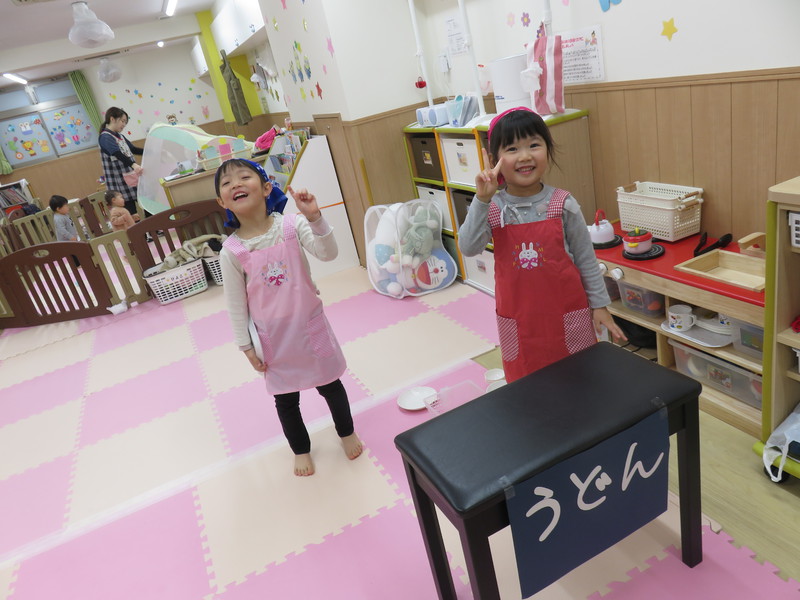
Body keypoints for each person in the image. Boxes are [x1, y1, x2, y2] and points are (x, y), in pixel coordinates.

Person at [215, 158, 362, 477]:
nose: (236, 184)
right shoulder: (232, 251)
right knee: (285, 401)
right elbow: (235, 305)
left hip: (311, 330)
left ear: (267, 188)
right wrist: (245, 346)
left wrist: (317, 219)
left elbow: (328, 254)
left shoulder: (292, 226)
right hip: (273, 340)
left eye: (244, 177)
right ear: (222, 201)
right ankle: (301, 450)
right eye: (227, 183)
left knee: (331, 386)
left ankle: (346, 432)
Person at [458, 107, 626, 382]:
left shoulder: (563, 203)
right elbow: (468, 247)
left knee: (580, 380)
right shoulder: (493, 207)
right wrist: (481, 199)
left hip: (567, 316)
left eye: (534, 145)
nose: (525, 156)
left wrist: (600, 306)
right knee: (528, 387)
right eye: (512, 148)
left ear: (548, 150)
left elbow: (585, 259)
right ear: (493, 159)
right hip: (520, 323)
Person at [99, 107, 143, 217]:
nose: (124, 125)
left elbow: (133, 149)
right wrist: (134, 164)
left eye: (125, 122)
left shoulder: (120, 136)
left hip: (130, 176)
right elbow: (116, 153)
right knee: (129, 209)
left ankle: (154, 229)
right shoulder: (105, 137)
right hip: (119, 180)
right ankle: (138, 234)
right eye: (122, 121)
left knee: (144, 201)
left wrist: (150, 152)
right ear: (112, 119)